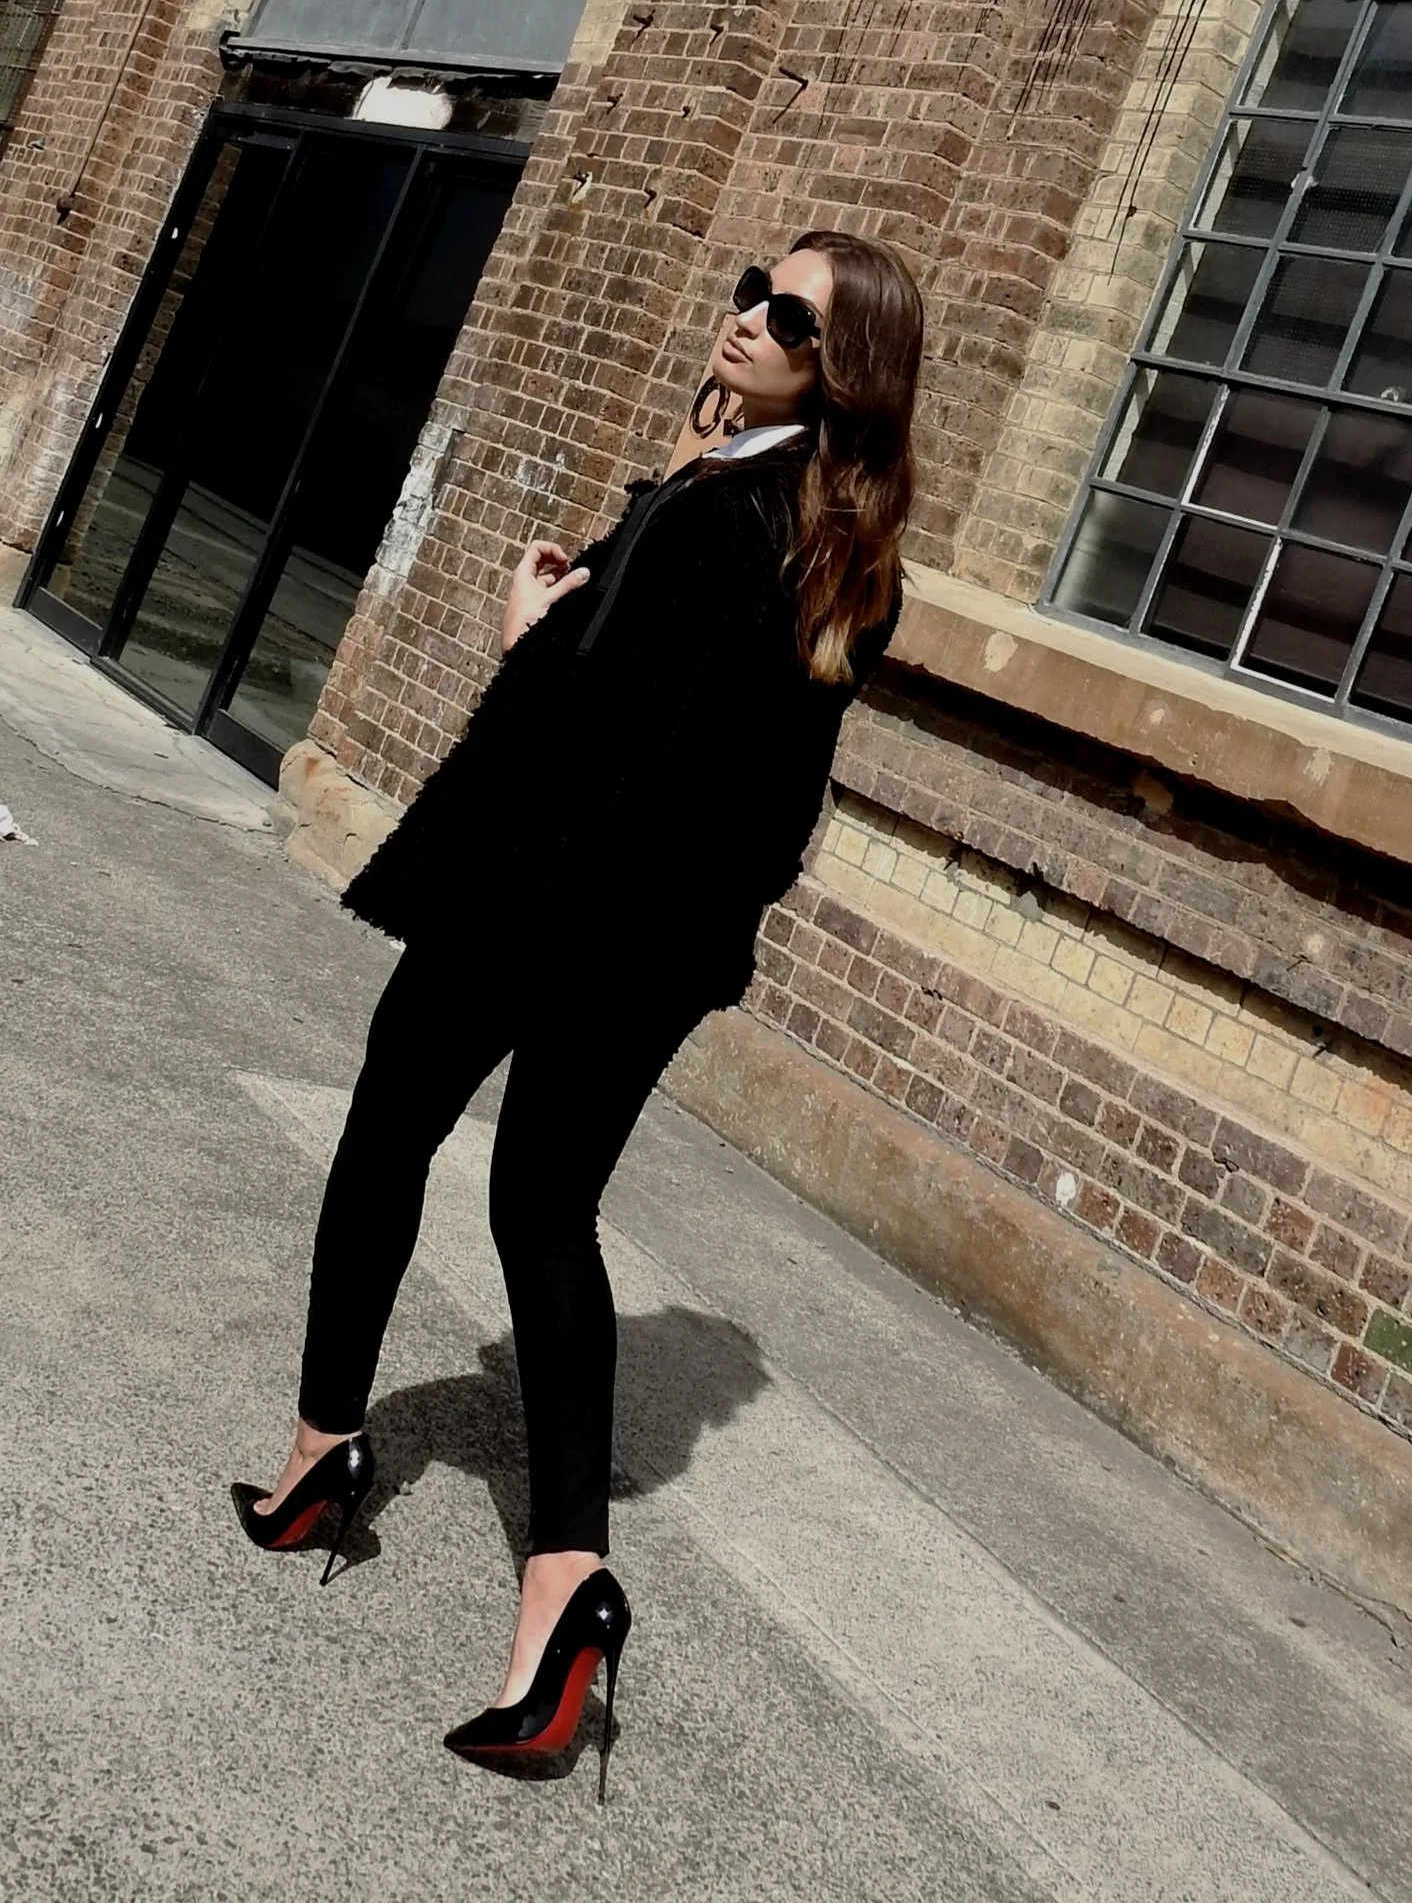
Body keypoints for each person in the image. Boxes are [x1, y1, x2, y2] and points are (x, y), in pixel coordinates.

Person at [232, 230, 924, 1791]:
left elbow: (599, 727)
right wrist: (644, 518)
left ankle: (321, 1458)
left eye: (787, 315)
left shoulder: (724, 515)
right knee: (546, 1213)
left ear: (838, 366)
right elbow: (744, 773)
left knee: (389, 1133)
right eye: (751, 286)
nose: (747, 317)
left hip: (537, 888)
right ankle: (566, 1587)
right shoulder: (835, 546)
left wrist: (528, 631)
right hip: (658, 941)